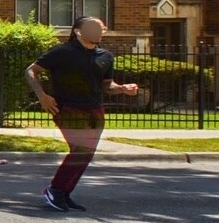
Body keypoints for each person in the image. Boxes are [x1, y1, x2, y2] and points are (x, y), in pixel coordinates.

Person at [26, 17, 139, 212]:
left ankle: (64, 193)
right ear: (78, 31)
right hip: (67, 107)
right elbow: (31, 71)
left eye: (102, 28)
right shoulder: (62, 52)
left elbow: (107, 85)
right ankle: (54, 191)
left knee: (86, 153)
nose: (100, 31)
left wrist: (122, 88)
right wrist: (42, 96)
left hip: (94, 108)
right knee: (81, 149)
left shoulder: (106, 56)